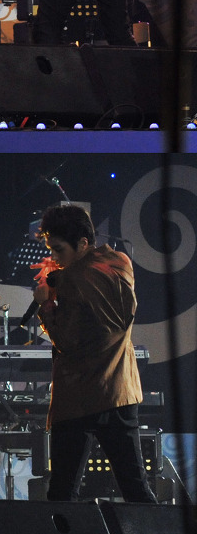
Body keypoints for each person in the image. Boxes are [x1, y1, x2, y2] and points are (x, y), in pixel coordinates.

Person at [32, 203, 157, 503]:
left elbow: (66, 340)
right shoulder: (120, 263)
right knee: (137, 489)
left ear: (83, 243)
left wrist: (46, 304)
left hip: (78, 396)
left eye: (59, 250)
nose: (54, 258)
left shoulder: (74, 280)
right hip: (119, 390)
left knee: (62, 494)